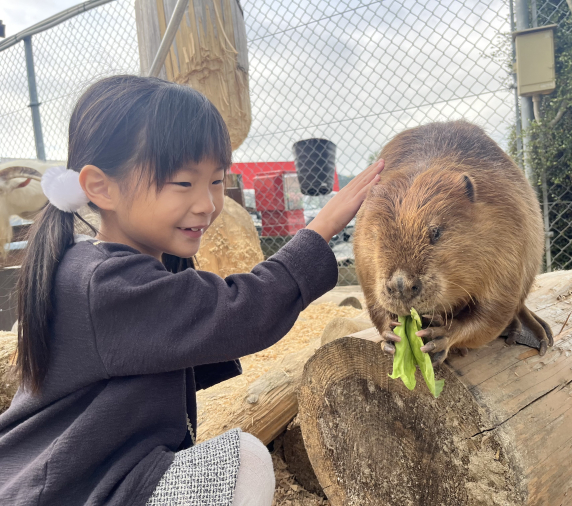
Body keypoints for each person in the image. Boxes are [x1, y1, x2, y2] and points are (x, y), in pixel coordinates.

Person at [0, 75, 384, 506]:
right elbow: (240, 311)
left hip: (96, 470)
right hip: (72, 488)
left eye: (217, 181)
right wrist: (322, 229)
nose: (206, 203)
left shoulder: (98, 264)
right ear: (102, 188)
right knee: (242, 462)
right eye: (183, 183)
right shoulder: (106, 284)